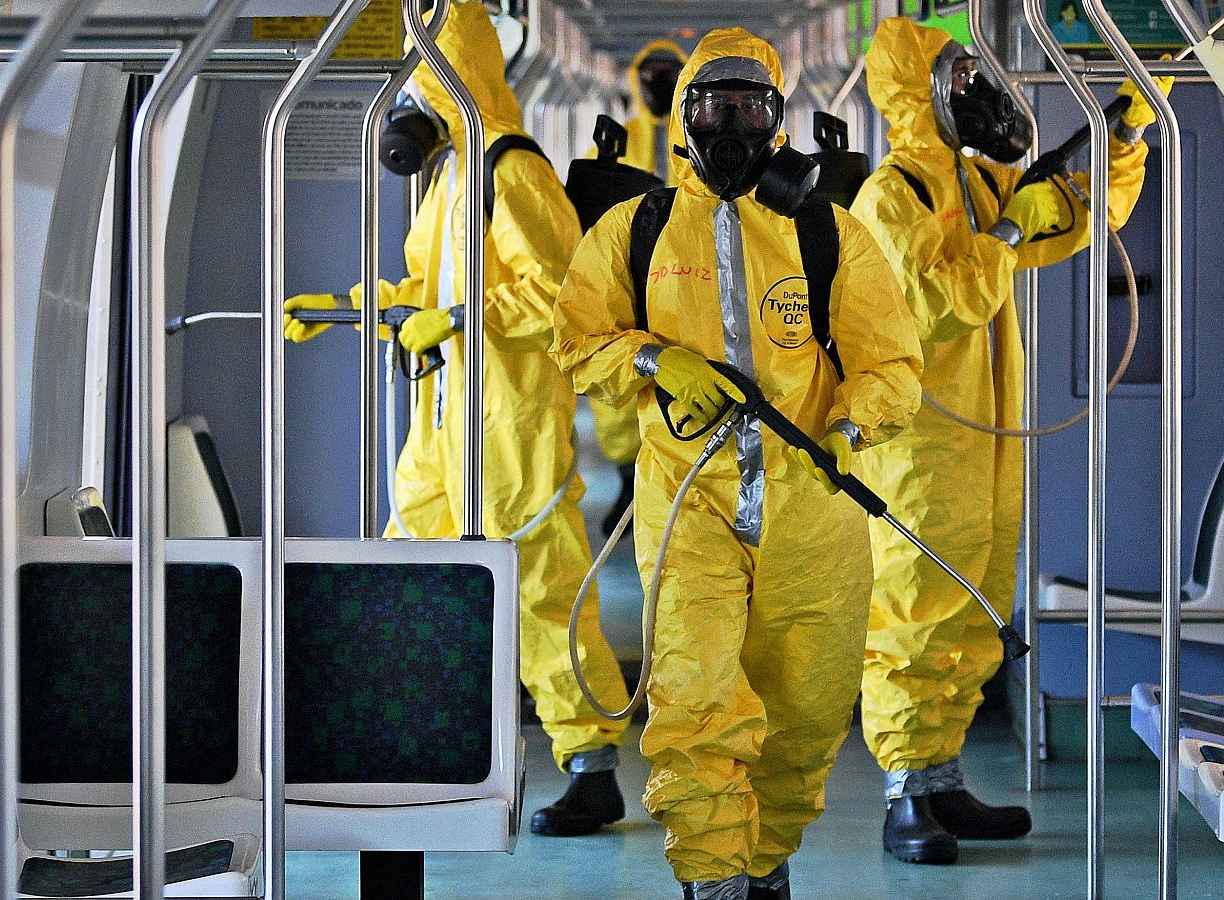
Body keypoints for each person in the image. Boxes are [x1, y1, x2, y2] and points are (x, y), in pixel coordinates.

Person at [551, 28, 922, 900]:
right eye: (713, 111)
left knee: (805, 716)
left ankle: (763, 860)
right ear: (682, 122)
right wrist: (651, 358)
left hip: (813, 514)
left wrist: (850, 431)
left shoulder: (829, 233)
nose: (732, 131)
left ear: (779, 122)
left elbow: (891, 362)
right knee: (694, 704)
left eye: (750, 111)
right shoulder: (634, 231)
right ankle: (713, 881)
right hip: (690, 507)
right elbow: (577, 339)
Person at [280, 1, 631, 839]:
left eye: (430, 75)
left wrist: (465, 317)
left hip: (510, 422)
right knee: (410, 566)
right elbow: (422, 290)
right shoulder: (445, 177)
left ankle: (592, 763)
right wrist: (348, 308)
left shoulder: (513, 172)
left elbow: (559, 295)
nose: (417, 95)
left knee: (541, 589)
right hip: (441, 418)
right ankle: (415, 736)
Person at [849, 16, 1168, 865]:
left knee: (979, 605)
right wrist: (1008, 235)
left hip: (986, 436)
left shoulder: (976, 184)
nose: (979, 93)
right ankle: (902, 792)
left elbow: (1073, 214)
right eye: (960, 80)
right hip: (920, 442)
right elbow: (932, 304)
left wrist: (1123, 133)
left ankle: (942, 778)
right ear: (923, 94)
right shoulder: (891, 197)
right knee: (919, 609)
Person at [587, 39, 689, 537]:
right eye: (651, 75)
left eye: (671, 74)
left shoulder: (698, 142)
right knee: (620, 389)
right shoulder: (619, 141)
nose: (660, 84)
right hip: (627, 277)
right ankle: (629, 482)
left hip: (686, 281)